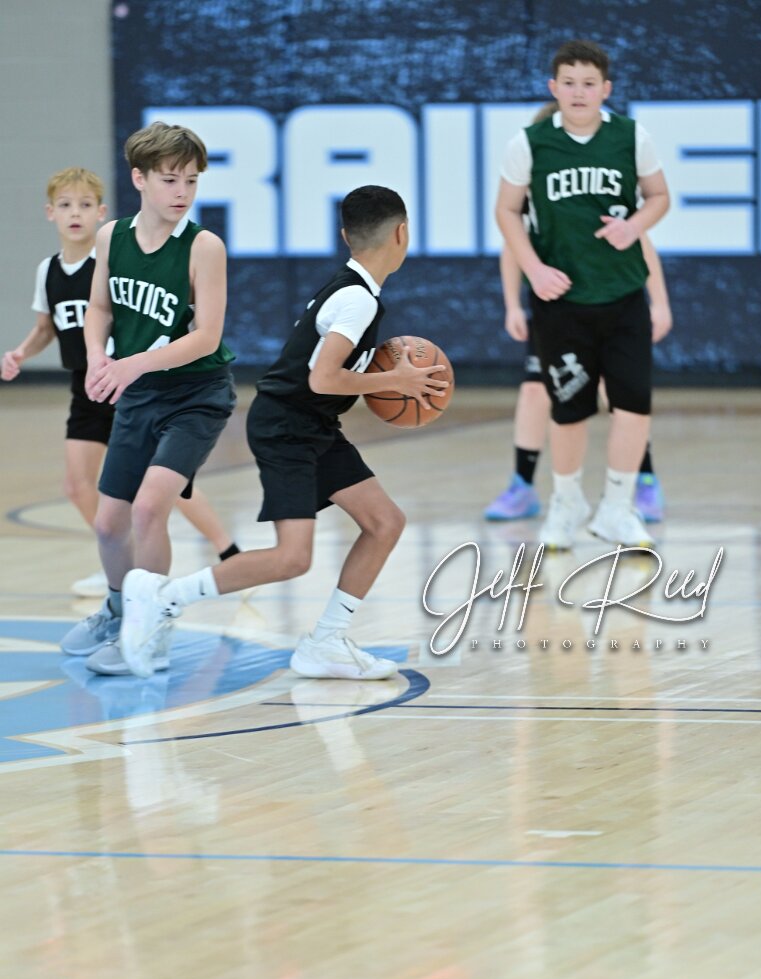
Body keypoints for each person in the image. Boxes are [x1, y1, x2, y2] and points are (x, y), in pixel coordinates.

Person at [116, 185, 449, 680]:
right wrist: (395, 381)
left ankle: (327, 641)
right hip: (287, 426)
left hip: (311, 423)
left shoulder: (350, 289)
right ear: (402, 233)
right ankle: (164, 597)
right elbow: (323, 378)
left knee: (385, 522)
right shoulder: (356, 299)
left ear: (345, 236)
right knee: (293, 558)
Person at [1, 166, 240, 599]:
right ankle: (115, 562)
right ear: (50, 212)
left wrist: (123, 364)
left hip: (130, 380)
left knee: (160, 488)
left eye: (85, 205)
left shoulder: (116, 252)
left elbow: (193, 330)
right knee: (79, 485)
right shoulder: (48, 270)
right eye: (66, 205)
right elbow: (47, 327)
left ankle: (228, 552)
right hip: (87, 383)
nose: (75, 214)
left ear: (101, 211)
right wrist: (20, 353)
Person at [58, 123, 237, 675]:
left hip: (196, 395)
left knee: (150, 506)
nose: (182, 192)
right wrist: (97, 356)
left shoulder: (204, 247)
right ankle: (117, 612)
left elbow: (207, 337)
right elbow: (100, 308)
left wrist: (129, 364)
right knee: (108, 524)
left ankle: (151, 631)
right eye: (170, 180)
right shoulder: (111, 237)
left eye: (191, 180)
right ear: (139, 179)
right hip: (140, 396)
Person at [495, 39, 670, 550]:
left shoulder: (631, 137)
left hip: (623, 295)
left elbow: (660, 196)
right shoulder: (529, 144)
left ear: (605, 89)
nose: (578, 92)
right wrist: (533, 271)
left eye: (588, 83)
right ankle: (566, 502)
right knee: (568, 410)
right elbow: (506, 212)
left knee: (633, 406)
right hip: (562, 302)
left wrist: (635, 225)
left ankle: (617, 508)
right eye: (568, 83)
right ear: (554, 87)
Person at [485, 223, 672, 523]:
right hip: (554, 308)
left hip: (607, 302)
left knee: (617, 391)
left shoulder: (599, 199)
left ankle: (644, 479)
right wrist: (512, 305)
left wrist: (660, 302)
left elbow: (639, 239)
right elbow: (512, 242)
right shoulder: (529, 201)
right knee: (535, 389)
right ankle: (522, 484)